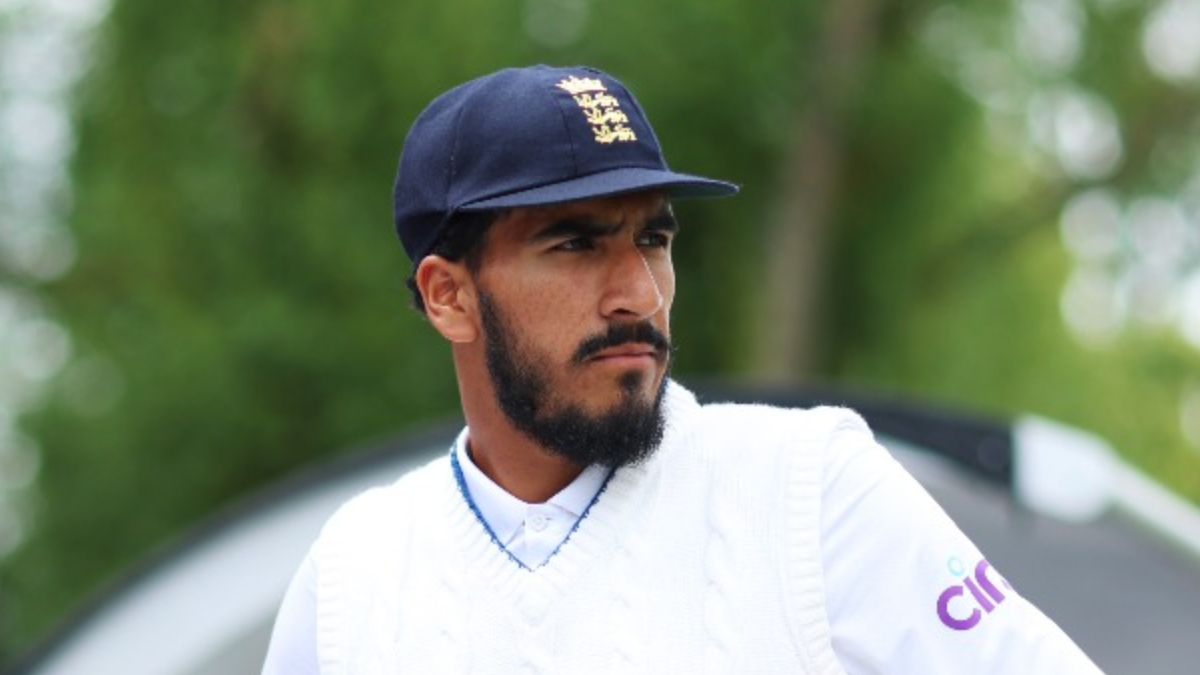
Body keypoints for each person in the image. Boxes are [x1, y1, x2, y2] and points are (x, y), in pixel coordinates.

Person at [261, 65, 1102, 674]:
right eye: (576, 243)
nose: (638, 292)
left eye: (653, 239)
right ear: (449, 296)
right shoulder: (352, 576)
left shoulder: (810, 488)